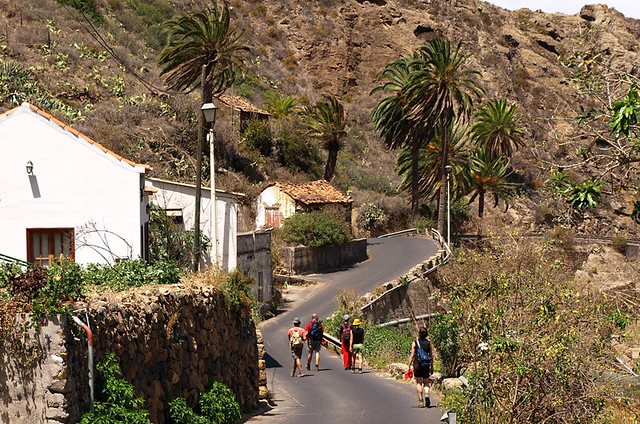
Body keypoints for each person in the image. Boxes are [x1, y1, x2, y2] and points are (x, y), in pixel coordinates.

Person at [408, 326, 434, 407]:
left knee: (419, 382)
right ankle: (426, 394)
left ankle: (421, 401)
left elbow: (412, 355)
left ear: (419, 334)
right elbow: (431, 356)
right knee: (426, 382)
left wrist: (409, 365)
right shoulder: (429, 343)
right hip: (426, 364)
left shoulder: (415, 342)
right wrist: (432, 366)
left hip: (417, 364)